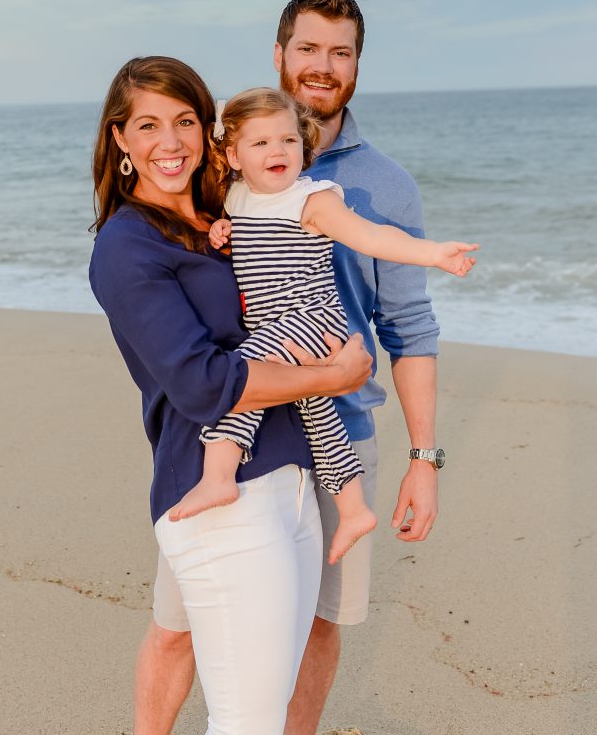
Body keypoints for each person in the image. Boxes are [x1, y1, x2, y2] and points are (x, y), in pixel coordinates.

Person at [145, 0, 449, 735]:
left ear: (356, 65)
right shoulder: (234, 162)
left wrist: (424, 457)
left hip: (341, 429)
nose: (323, 65)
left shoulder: (383, 185)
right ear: (279, 55)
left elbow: (409, 326)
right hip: (244, 414)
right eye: (308, 48)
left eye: (340, 52)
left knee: (319, 623)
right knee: (181, 622)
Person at [88, 55, 373, 735]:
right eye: (148, 125)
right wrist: (331, 378)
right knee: (247, 723)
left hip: (292, 480)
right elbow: (204, 384)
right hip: (225, 503)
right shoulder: (127, 247)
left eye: (185, 120)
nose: (170, 141)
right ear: (120, 140)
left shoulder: (227, 213)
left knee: (262, 715)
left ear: (208, 132)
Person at [169, 87, 476, 570]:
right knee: (320, 419)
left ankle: (219, 473)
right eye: (261, 143)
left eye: (289, 141)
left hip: (311, 321)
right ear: (233, 154)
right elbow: (237, 239)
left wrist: (432, 253)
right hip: (279, 324)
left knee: (245, 372)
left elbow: (371, 236)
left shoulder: (311, 199)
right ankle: (353, 510)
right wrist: (219, 230)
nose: (278, 152)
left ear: (303, 147)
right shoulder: (236, 196)